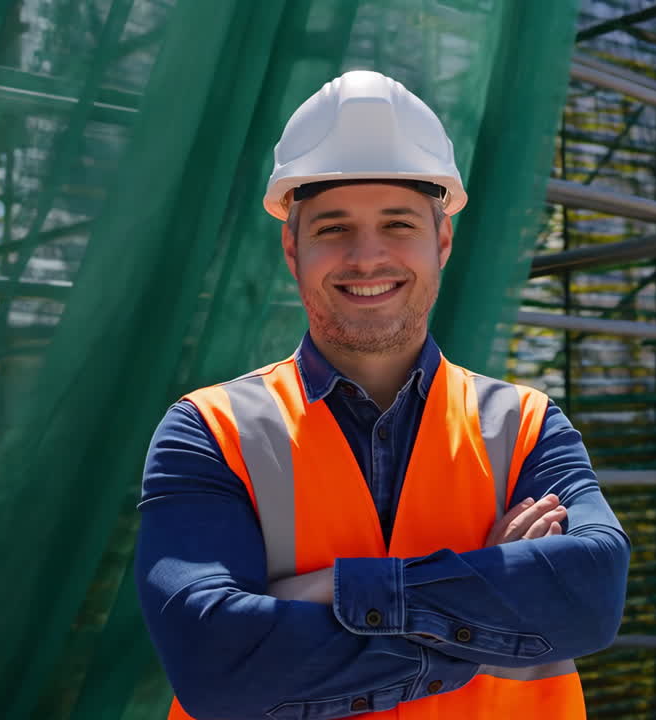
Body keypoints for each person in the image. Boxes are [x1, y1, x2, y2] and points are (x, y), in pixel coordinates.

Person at [135, 70, 630, 720]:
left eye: (398, 224)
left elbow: (588, 597)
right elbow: (214, 662)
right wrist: (490, 585)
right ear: (292, 245)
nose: (367, 257)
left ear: (443, 240)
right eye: (333, 228)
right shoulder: (209, 431)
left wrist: (324, 591)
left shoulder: (528, 427)